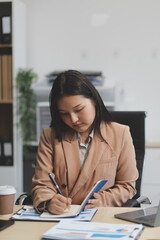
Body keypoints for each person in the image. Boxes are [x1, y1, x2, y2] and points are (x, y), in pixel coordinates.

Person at [32, 70, 138, 214]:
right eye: (64, 114)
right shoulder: (49, 136)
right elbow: (42, 184)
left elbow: (127, 186)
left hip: (102, 215)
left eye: (79, 109)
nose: (73, 119)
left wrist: (105, 200)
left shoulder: (120, 133)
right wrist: (50, 201)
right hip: (62, 217)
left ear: (94, 100)